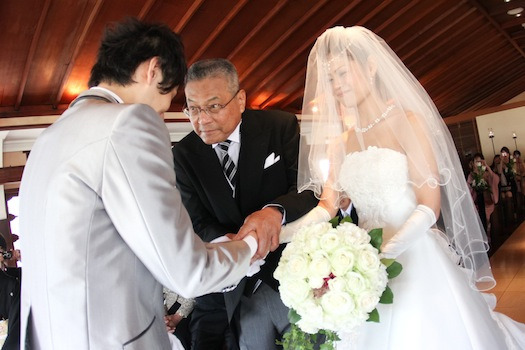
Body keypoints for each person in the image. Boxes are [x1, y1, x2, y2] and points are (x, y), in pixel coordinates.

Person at [18, 18, 260, 350]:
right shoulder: (128, 122)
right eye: (171, 95)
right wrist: (249, 249)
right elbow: (187, 273)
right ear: (154, 70)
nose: (162, 111)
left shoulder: (49, 138)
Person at [279, 26, 525, 349]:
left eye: (342, 73)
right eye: (331, 79)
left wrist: (384, 253)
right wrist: (283, 235)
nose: (337, 86)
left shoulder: (407, 122)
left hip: (415, 254)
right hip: (361, 269)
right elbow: (326, 206)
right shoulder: (339, 143)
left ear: (370, 67)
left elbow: (428, 205)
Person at [172, 58, 318, 350]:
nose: (202, 119)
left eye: (213, 106)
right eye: (193, 109)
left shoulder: (280, 126)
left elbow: (309, 188)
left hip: (294, 276)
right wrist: (229, 245)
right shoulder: (183, 154)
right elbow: (197, 220)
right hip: (236, 289)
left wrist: (275, 212)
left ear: (240, 100)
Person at [467, 153, 499, 235]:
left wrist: (487, 167)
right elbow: (468, 188)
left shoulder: (487, 174)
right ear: (473, 163)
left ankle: (487, 235)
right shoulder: (471, 175)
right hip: (476, 202)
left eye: (480, 162)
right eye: (476, 162)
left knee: (486, 216)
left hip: (487, 202)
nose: (478, 164)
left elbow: (495, 179)